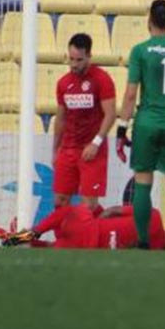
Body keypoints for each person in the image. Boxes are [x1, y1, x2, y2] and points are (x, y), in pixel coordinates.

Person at [114, 0, 165, 249]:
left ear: (149, 20)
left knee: (143, 182)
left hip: (147, 122)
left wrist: (121, 129)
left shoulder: (141, 51)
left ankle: (143, 240)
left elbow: (130, 94)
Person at [0, 204, 165, 251]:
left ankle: (10, 235)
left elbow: (113, 210)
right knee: (50, 244)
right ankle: (21, 235)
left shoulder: (155, 224)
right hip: (91, 241)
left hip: (88, 235)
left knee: (61, 220)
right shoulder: (154, 245)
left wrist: (100, 219)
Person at [52, 33, 116, 212]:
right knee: (60, 200)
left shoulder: (102, 79)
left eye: (79, 60)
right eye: (71, 59)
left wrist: (96, 143)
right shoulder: (63, 83)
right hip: (69, 149)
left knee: (88, 206)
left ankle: (95, 237)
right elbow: (61, 118)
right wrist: (55, 150)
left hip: (92, 150)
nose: (73, 64)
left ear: (89, 56)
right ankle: (64, 240)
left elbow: (110, 114)